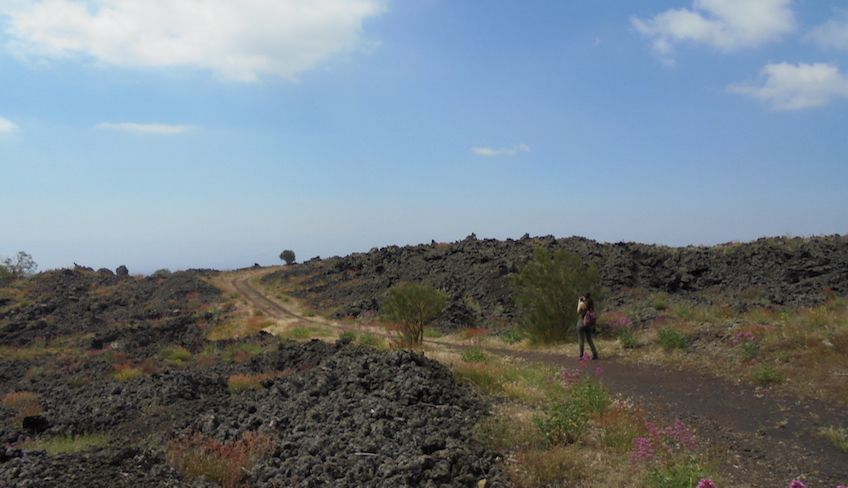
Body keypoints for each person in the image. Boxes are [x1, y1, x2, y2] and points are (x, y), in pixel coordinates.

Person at [577, 292, 599, 360]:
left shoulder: (582, 303)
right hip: (589, 323)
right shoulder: (591, 304)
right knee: (589, 339)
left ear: (584, 297)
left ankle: (581, 356)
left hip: (581, 322)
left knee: (581, 339)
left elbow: (578, 311)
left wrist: (579, 302)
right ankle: (595, 354)